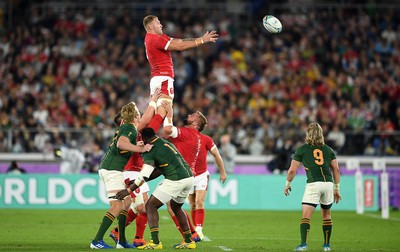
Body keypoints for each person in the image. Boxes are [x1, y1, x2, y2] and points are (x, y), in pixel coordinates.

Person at [116, 127, 196, 249]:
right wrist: (139, 182)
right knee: (176, 207)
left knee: (150, 206)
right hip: (189, 178)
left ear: (145, 138)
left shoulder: (150, 150)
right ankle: (189, 240)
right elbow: (158, 170)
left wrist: (128, 190)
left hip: (176, 179)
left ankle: (155, 242)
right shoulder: (165, 143)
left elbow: (144, 175)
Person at [90, 102, 153, 249]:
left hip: (111, 168)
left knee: (126, 203)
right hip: (112, 169)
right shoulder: (130, 128)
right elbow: (121, 144)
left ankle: (122, 241)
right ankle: (97, 240)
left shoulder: (128, 128)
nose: (141, 115)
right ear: (136, 115)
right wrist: (140, 149)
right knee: (117, 206)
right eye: (139, 113)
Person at [109, 90, 163, 247]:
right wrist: (153, 102)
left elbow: (148, 119)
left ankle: (133, 237)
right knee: (143, 207)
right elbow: (148, 119)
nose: (138, 115)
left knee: (142, 207)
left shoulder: (132, 130)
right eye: (136, 113)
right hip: (132, 171)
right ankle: (125, 235)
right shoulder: (130, 129)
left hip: (137, 171)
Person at [142, 14, 218, 124]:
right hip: (163, 78)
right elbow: (179, 47)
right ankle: (145, 135)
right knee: (163, 113)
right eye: (158, 23)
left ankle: (142, 134)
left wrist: (201, 38)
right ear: (150, 27)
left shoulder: (156, 37)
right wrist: (201, 41)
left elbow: (180, 41)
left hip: (158, 78)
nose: (161, 25)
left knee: (154, 112)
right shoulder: (154, 39)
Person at [284, 123, 342, 252]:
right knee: (327, 215)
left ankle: (303, 244)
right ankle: (326, 246)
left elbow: (292, 170)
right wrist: (336, 188)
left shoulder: (302, 149)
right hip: (328, 183)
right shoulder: (328, 150)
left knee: (306, 216)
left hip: (314, 184)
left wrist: (287, 184)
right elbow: (336, 169)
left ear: (308, 134)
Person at [189, 132, 227, 240]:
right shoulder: (184, 137)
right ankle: (195, 229)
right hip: (189, 175)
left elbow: (216, 154)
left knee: (199, 201)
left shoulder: (206, 139)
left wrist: (222, 172)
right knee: (192, 204)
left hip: (201, 174)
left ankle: (199, 229)